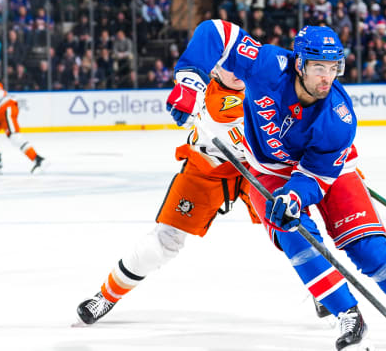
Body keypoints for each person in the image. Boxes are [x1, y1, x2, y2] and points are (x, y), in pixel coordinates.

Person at [166, 20, 386, 350]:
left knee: (368, 249)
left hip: (326, 172)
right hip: (270, 169)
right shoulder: (267, 65)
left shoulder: (339, 117)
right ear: (299, 63)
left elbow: (317, 177)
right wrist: (189, 82)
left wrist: (295, 195)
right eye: (318, 67)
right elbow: (216, 32)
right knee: (297, 238)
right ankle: (346, 313)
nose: (326, 76)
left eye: (333, 67)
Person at [76, 66, 263, 324]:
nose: (237, 71)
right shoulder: (211, 95)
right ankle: (107, 296)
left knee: (289, 228)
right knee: (164, 242)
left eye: (239, 62)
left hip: (257, 167)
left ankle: (321, 292)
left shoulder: (263, 83)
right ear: (216, 69)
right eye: (227, 65)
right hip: (205, 169)